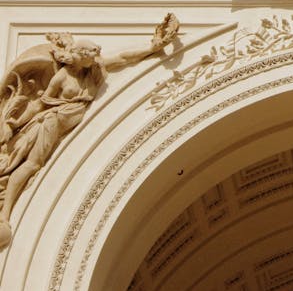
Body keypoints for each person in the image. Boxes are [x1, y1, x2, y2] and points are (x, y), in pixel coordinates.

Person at [0, 14, 179, 247]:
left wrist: (152, 48)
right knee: (31, 164)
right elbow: (41, 102)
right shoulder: (62, 77)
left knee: (30, 164)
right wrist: (16, 122)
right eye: (93, 53)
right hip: (51, 124)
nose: (98, 56)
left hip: (62, 122)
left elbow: (123, 58)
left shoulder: (94, 69)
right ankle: (4, 214)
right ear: (81, 56)